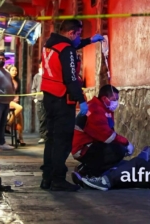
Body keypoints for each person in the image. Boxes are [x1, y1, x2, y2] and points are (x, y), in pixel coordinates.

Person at [40, 19, 104, 191]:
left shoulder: (51, 44)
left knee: (51, 139)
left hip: (49, 97)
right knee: (62, 141)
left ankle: (47, 178)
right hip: (62, 99)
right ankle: (58, 179)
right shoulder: (66, 49)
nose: (79, 38)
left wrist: (90, 40)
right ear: (71, 33)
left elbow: (70, 48)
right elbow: (71, 78)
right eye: (78, 34)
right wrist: (82, 101)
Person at [71, 84, 134, 180]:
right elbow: (107, 136)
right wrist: (125, 143)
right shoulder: (95, 110)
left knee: (117, 148)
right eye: (114, 99)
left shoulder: (103, 109)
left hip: (88, 145)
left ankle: (88, 168)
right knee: (117, 151)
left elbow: (108, 132)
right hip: (82, 149)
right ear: (104, 98)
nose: (116, 102)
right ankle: (88, 172)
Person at [6, 65, 26, 146]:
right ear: (9, 71)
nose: (15, 72)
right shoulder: (6, 80)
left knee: (20, 118)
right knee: (20, 108)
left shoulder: (17, 80)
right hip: (8, 101)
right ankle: (8, 125)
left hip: (15, 101)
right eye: (13, 70)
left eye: (16, 70)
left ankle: (20, 138)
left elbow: (17, 92)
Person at [31, 62, 47, 144]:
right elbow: (33, 89)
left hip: (49, 100)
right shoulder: (37, 76)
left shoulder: (49, 75)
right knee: (42, 119)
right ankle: (43, 136)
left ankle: (49, 136)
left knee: (49, 118)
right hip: (40, 100)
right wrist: (35, 98)